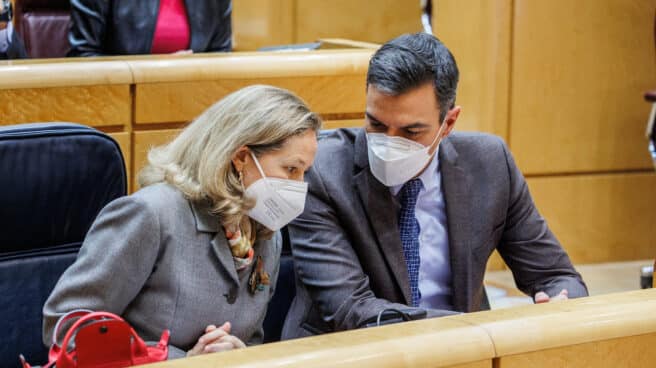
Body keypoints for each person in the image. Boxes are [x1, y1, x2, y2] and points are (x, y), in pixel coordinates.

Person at [281, 33, 588, 339]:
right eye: (376, 124)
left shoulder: (490, 163)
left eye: (411, 131)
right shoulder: (320, 169)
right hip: (351, 350)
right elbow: (352, 309)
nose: (388, 142)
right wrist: (483, 329)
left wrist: (559, 304)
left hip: (463, 350)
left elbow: (556, 275)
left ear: (449, 123)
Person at [43, 85, 321, 357]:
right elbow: (66, 325)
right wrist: (178, 362)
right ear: (241, 158)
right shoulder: (151, 214)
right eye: (291, 169)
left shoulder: (265, 232)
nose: (299, 185)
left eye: (304, 172)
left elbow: (252, 337)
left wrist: (238, 352)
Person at [68, 0, 232, 57]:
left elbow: (221, 55)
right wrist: (157, 70)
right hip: (118, 100)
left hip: (195, 100)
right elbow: (83, 56)